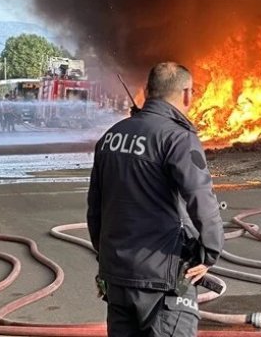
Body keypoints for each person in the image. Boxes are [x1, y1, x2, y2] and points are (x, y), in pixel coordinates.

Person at [87, 62, 224, 337]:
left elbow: (95, 209)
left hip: (117, 276)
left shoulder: (110, 137)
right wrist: (210, 251)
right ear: (186, 94)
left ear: (147, 91)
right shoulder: (177, 138)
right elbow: (200, 197)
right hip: (161, 278)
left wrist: (106, 255)